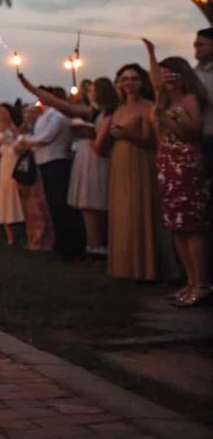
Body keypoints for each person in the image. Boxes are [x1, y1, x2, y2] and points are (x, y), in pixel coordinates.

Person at [19, 74, 117, 258]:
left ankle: (92, 245)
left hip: (92, 157)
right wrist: (28, 85)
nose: (89, 93)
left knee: (93, 203)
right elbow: (59, 104)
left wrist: (89, 133)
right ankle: (89, 245)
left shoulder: (105, 113)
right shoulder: (92, 112)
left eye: (91, 90)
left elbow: (57, 114)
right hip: (84, 156)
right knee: (84, 204)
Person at [145, 41, 211, 306]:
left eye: (170, 73)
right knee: (176, 226)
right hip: (168, 163)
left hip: (187, 163)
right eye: (163, 74)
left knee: (191, 224)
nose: (165, 78)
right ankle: (189, 280)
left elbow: (192, 132)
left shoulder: (189, 99)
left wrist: (169, 119)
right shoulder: (163, 101)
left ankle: (202, 283)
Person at [98, 64, 159, 281]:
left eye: (134, 78)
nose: (129, 83)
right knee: (121, 210)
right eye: (125, 79)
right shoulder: (117, 109)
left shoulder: (149, 107)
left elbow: (154, 140)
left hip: (140, 159)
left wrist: (128, 135)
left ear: (142, 83)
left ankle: (145, 267)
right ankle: (123, 266)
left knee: (138, 208)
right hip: (119, 160)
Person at [21, 86, 85, 259]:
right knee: (52, 205)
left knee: (60, 205)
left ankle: (69, 246)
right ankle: (59, 242)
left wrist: (27, 141)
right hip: (45, 162)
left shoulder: (57, 116)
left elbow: (46, 137)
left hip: (56, 161)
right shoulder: (45, 115)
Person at [0, 103, 24, 245]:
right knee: (5, 194)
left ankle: (21, 224)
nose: (2, 114)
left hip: (16, 162)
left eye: (4, 111)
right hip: (5, 164)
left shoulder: (15, 126)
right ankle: (9, 232)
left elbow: (20, 140)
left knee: (18, 193)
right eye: (0, 111)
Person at [191, 28, 213, 170]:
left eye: (201, 45)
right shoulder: (191, 75)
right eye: (195, 45)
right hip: (199, 138)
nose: (196, 49)